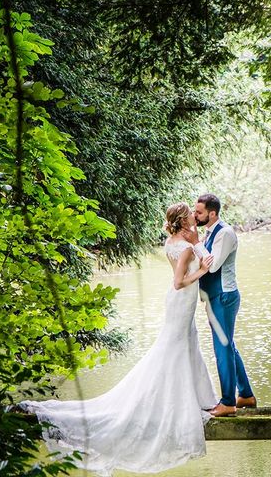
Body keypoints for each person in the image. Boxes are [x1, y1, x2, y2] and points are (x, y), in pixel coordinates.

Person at [19, 202, 219, 475]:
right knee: (174, 349)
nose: (193, 218)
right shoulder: (183, 247)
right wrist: (203, 271)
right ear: (182, 221)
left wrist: (197, 244)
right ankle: (178, 401)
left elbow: (194, 254)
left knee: (185, 346)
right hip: (181, 298)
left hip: (182, 303)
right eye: (189, 217)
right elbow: (179, 281)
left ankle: (198, 397)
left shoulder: (177, 241)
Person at [182, 193, 256, 417]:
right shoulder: (209, 232)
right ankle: (245, 395)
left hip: (224, 296)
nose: (196, 215)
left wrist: (195, 243)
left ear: (212, 213)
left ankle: (227, 403)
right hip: (215, 297)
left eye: (199, 212)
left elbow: (212, 267)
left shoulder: (225, 233)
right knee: (228, 345)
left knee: (222, 348)